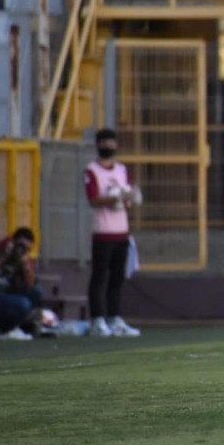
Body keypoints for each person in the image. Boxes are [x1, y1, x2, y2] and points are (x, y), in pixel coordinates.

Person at [84, 128, 142, 337]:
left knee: (117, 278)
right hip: (103, 232)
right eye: (105, 143)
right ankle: (98, 320)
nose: (109, 147)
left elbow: (128, 194)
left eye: (112, 143)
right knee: (100, 277)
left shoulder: (122, 170)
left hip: (121, 232)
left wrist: (128, 197)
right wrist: (112, 198)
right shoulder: (92, 170)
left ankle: (114, 318)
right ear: (98, 145)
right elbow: (92, 199)